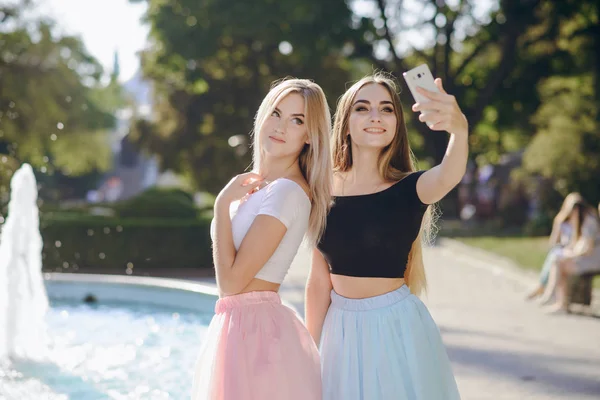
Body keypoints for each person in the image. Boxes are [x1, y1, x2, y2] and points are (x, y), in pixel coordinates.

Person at [305, 72, 466, 400]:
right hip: (340, 331)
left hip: (395, 327)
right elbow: (318, 281)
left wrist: (459, 129)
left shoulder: (411, 188)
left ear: (397, 124)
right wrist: (309, 352)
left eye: (387, 109)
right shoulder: (321, 189)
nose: (376, 116)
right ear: (346, 122)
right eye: (362, 108)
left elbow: (450, 173)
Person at [192, 78, 332, 400]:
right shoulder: (263, 188)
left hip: (254, 333)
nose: (281, 126)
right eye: (276, 113)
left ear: (309, 136)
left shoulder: (286, 191)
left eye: (297, 121)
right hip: (241, 326)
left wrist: (220, 205)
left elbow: (230, 283)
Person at [546, 200, 600, 313]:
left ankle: (558, 300)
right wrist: (569, 252)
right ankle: (557, 299)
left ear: (576, 210)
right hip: (587, 258)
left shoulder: (589, 222)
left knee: (561, 264)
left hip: (594, 260)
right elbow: (578, 244)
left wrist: (571, 254)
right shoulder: (584, 221)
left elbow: (587, 249)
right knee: (558, 259)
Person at [526, 192, 582, 301]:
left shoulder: (580, 221)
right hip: (562, 248)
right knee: (555, 254)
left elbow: (578, 241)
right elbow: (554, 241)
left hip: (574, 250)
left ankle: (543, 288)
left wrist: (576, 222)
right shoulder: (561, 220)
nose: (575, 210)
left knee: (555, 257)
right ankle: (545, 288)